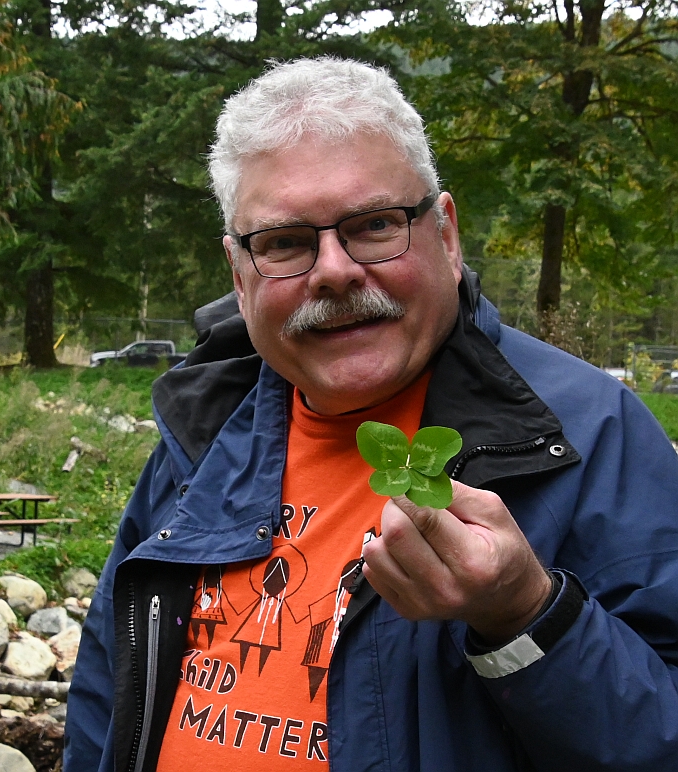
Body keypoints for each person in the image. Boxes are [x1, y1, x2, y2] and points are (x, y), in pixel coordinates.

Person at [64, 57, 678, 772]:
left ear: (444, 235)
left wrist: (524, 614)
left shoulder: (589, 434)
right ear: (238, 273)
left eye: (374, 224)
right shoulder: (204, 427)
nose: (333, 270)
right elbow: (109, 688)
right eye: (286, 242)